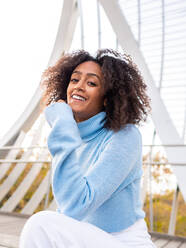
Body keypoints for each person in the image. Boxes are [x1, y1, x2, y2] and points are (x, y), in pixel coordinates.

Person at [20, 49, 156, 247]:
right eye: (74, 80)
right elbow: (67, 211)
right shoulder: (72, 136)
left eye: (91, 83)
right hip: (86, 236)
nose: (79, 87)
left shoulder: (125, 136)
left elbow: (76, 204)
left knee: (40, 225)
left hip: (124, 241)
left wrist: (63, 126)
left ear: (107, 98)